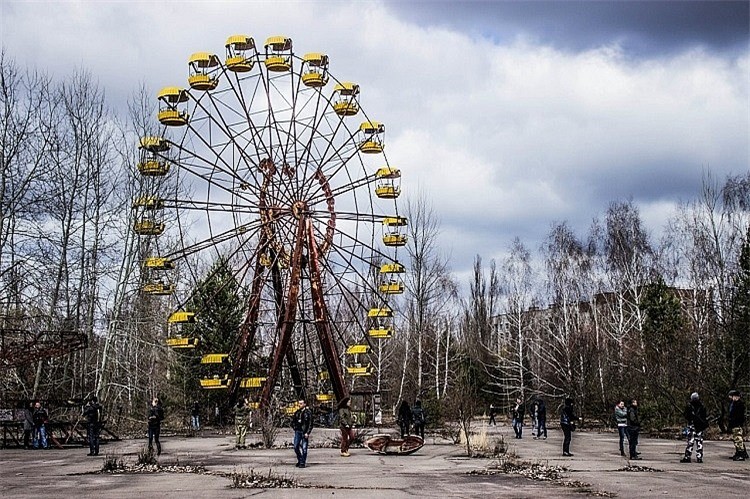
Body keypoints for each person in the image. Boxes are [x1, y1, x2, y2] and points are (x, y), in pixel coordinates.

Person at [680, 392, 708, 463]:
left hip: (692, 426)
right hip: (700, 426)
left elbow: (686, 416)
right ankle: (699, 457)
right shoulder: (702, 406)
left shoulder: (689, 406)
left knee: (690, 442)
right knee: (699, 442)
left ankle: (687, 456)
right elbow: (704, 416)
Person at [291, 399, 313, 468]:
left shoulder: (308, 413)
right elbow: (293, 421)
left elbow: (310, 424)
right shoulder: (297, 413)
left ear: (304, 404)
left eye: (301, 403)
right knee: (296, 446)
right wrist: (295, 427)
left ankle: (302, 462)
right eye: (299, 403)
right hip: (298, 431)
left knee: (304, 448)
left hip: (304, 432)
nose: (299, 405)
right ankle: (300, 459)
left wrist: (307, 432)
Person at [727, 390, 748, 461]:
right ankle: (738, 452)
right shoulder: (734, 404)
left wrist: (737, 422)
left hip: (737, 424)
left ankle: (741, 453)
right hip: (734, 423)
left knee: (738, 439)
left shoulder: (739, 405)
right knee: (736, 439)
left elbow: (739, 416)